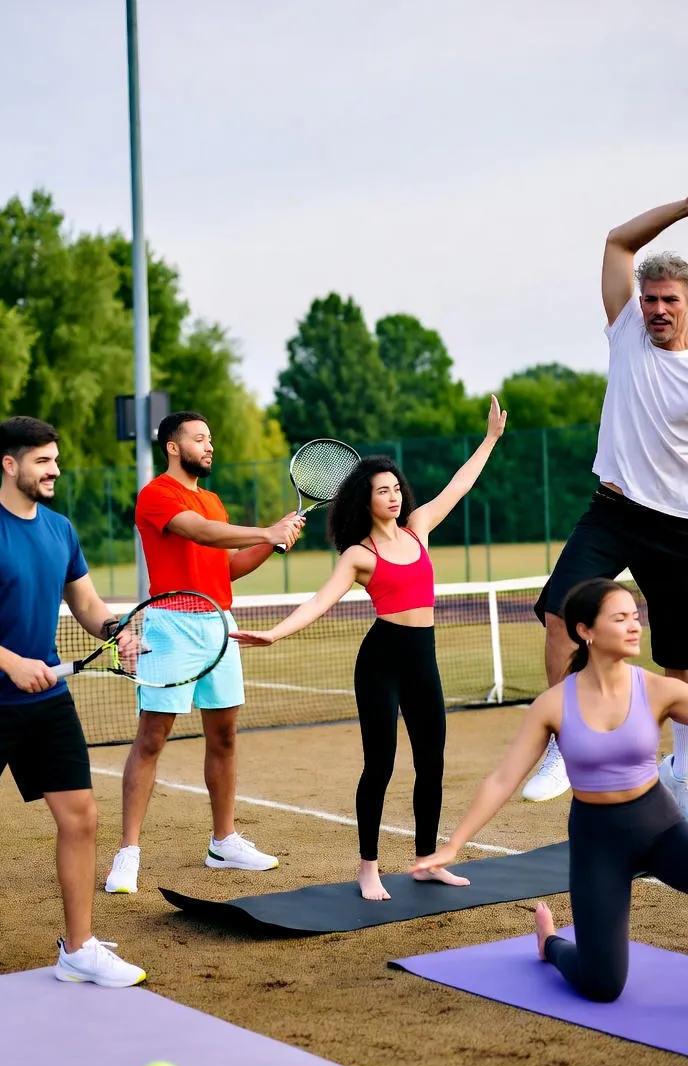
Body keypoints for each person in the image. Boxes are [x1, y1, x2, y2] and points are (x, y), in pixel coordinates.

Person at [0, 417, 146, 992]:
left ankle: (79, 949)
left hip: (47, 705)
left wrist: (116, 631)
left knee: (81, 817)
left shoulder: (61, 530)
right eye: (43, 461)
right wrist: (10, 662)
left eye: (55, 460)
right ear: (10, 465)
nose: (55, 470)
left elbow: (86, 604)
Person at [231, 397, 507, 901]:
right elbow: (320, 602)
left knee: (432, 762)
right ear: (366, 499)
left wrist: (489, 438)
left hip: (423, 656)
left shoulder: (418, 529)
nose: (395, 496)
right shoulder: (359, 554)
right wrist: (274, 633)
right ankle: (369, 867)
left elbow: (460, 485)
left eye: (397, 487)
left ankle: (426, 861)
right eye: (384, 491)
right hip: (381, 661)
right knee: (379, 765)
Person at [413, 578, 688, 1002]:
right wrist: (455, 844)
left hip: (659, 828)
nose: (635, 626)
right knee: (602, 986)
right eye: (620, 618)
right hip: (599, 844)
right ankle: (551, 944)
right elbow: (504, 778)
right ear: (586, 631)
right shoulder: (555, 704)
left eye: (636, 617)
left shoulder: (658, 689)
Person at [526, 196, 688, 814]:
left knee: (680, 664)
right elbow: (619, 242)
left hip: (681, 529)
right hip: (616, 511)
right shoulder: (627, 329)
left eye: (670, 298)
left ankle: (677, 772)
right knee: (565, 613)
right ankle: (566, 742)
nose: (656, 309)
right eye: (650, 298)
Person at [105, 411, 304, 892]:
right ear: (173, 447)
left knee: (225, 735)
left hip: (219, 622)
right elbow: (197, 532)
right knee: (153, 737)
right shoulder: (157, 495)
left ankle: (223, 842)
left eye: (210, 439)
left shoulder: (213, 500)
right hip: (170, 624)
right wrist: (264, 531)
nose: (209, 446)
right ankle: (128, 852)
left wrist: (273, 541)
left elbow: (226, 567)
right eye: (199, 439)